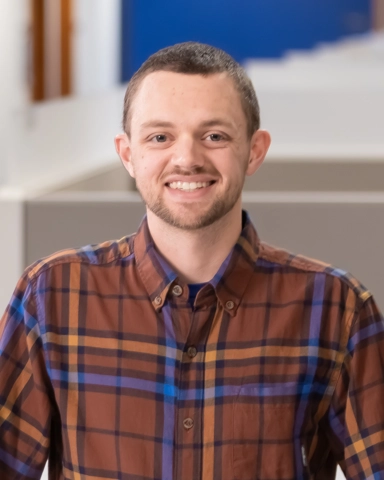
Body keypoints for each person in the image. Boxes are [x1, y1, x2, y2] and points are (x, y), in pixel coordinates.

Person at [0, 42, 383, 480]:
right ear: (128, 154)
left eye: (214, 136)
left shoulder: (337, 308)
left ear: (254, 150)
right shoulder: (50, 296)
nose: (186, 158)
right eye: (159, 137)